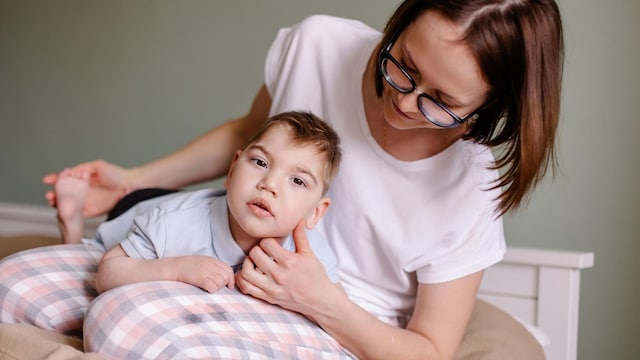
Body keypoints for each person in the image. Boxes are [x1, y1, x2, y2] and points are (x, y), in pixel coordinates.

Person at [1, 0, 563, 358]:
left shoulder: (471, 188)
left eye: (440, 102)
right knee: (15, 283)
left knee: (123, 318)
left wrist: (321, 302)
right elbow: (248, 136)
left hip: (330, 322)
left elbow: (431, 349)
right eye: (403, 66)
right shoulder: (321, 45)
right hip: (215, 260)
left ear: (493, 106)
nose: (404, 102)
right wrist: (132, 180)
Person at [59, 111, 342, 293]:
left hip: (186, 202)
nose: (269, 184)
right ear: (232, 170)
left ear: (315, 213)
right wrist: (178, 268)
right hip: (143, 207)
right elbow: (109, 272)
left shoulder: (310, 255)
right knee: (90, 252)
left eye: (297, 181)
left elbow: (333, 299)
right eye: (259, 162)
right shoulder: (173, 224)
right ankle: (72, 224)